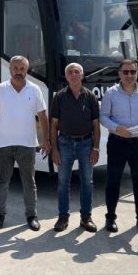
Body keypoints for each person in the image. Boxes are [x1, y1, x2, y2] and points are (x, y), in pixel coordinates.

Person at [0, 55, 51, 231]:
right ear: (10, 69)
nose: (19, 72)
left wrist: (46, 140)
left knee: (29, 182)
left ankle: (31, 216)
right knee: (2, 181)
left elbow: (43, 116)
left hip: (27, 145)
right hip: (4, 145)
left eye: (22, 68)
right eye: (15, 68)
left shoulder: (34, 89)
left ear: (27, 70)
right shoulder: (0, 89)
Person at [100, 59, 138, 233]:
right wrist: (117, 128)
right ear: (119, 74)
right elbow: (103, 117)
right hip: (117, 142)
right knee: (113, 181)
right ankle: (110, 218)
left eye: (133, 72)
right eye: (126, 72)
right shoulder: (111, 93)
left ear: (137, 73)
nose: (129, 75)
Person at [49, 63, 101, 232]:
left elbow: (96, 125)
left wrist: (96, 148)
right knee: (63, 182)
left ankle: (86, 218)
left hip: (86, 143)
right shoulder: (59, 97)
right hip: (64, 143)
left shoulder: (90, 97)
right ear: (66, 77)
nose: (73, 75)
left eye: (76, 72)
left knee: (87, 182)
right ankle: (63, 217)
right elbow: (53, 125)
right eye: (70, 72)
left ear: (82, 75)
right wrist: (54, 149)